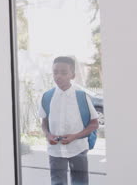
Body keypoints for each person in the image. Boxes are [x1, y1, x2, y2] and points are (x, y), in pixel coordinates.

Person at [39, 56, 99, 185]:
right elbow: (44, 122)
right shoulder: (47, 97)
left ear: (72, 75)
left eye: (64, 73)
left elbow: (94, 123)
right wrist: (48, 135)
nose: (58, 76)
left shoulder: (81, 96)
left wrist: (75, 136)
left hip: (78, 149)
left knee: (80, 182)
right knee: (57, 182)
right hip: (55, 151)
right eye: (55, 72)